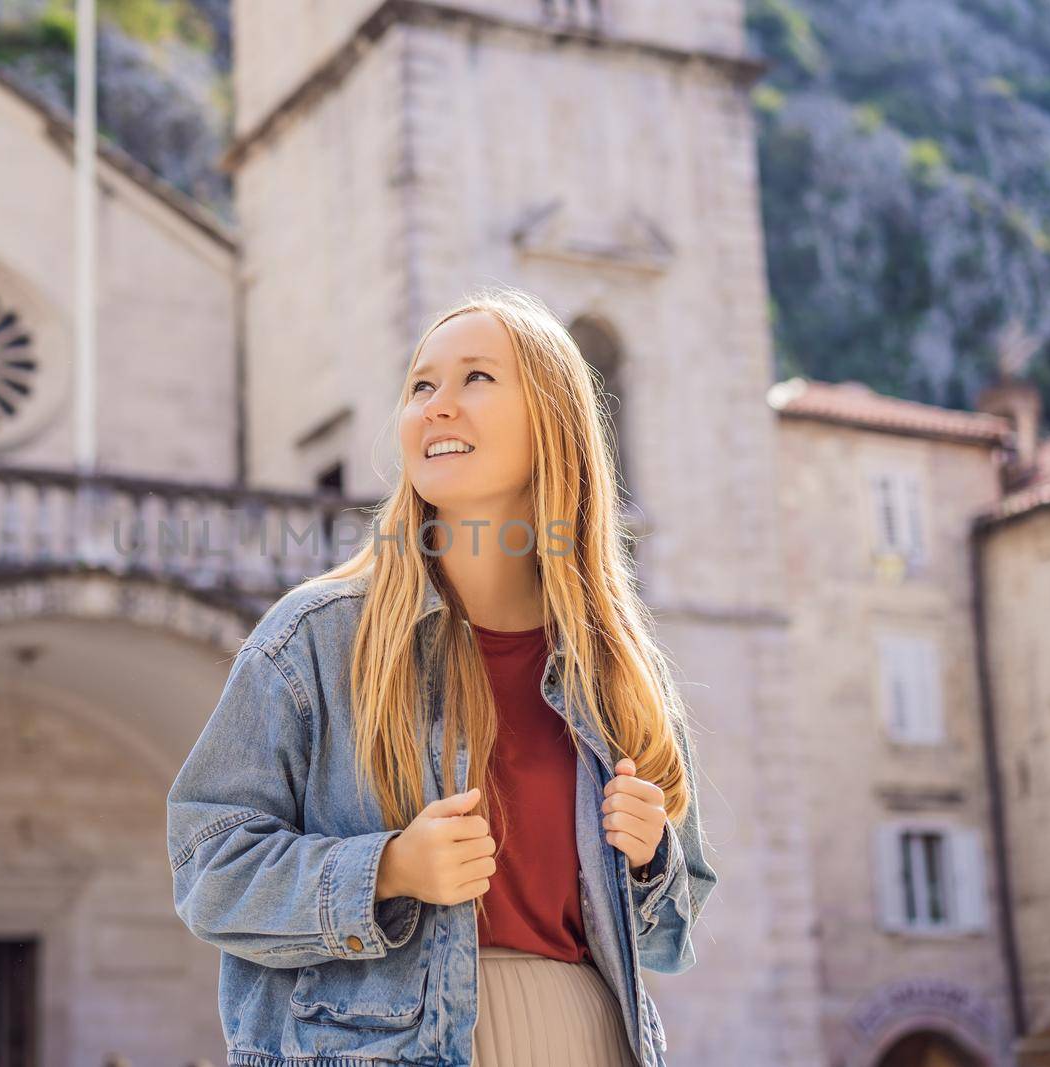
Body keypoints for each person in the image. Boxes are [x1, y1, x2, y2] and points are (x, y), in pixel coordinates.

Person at [167, 285, 717, 1067]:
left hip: (591, 1043)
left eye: (477, 379)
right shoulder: (313, 639)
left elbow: (671, 934)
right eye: (421, 385)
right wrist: (386, 868)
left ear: (552, 421)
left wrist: (650, 856)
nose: (438, 405)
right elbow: (205, 864)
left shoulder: (618, 667)